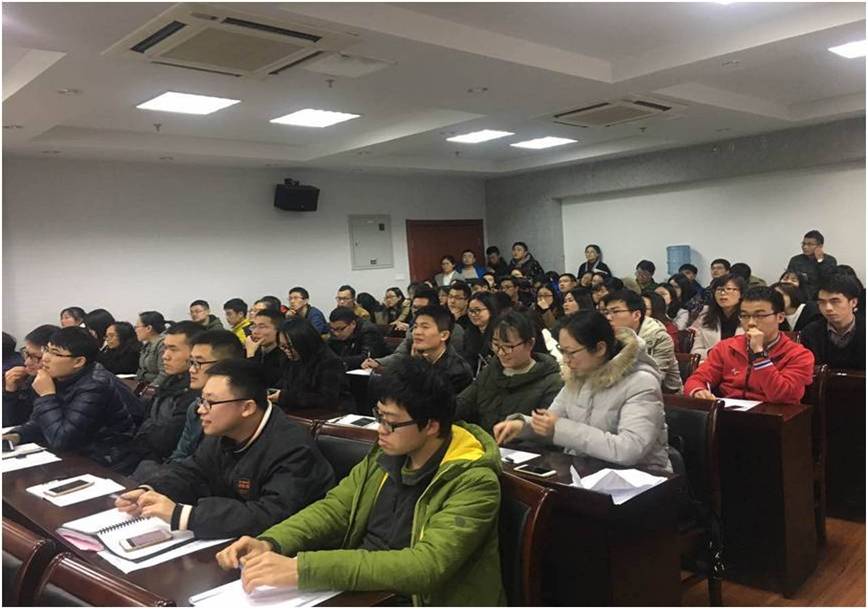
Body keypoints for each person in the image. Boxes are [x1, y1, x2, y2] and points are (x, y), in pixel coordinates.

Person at [215, 357, 505, 606]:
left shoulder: (474, 480)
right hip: (365, 589)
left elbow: (425, 566)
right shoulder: (386, 455)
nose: (381, 430)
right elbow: (335, 509)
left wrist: (304, 569)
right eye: (379, 416)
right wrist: (272, 542)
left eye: (391, 422)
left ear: (431, 425)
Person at [116, 359, 335, 539]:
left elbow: (269, 515)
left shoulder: (293, 448)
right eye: (201, 400)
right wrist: (151, 491)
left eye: (210, 402)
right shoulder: (224, 432)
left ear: (247, 408)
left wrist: (184, 515)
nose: (201, 410)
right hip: (231, 539)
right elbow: (191, 472)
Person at [493, 311, 672, 471]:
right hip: (584, 470)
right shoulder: (578, 375)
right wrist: (523, 427)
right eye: (562, 351)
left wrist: (559, 428)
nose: (565, 360)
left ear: (600, 348)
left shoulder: (641, 382)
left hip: (641, 478)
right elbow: (551, 421)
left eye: (571, 352)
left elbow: (629, 450)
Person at [3, 327, 142, 473]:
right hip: (77, 453)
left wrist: (46, 396)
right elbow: (41, 422)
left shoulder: (95, 385)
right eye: (47, 350)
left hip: (106, 458)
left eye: (55, 353)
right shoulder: (57, 376)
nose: (45, 358)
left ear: (78, 362)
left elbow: (62, 441)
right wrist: (16, 435)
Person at [685, 287, 815, 404]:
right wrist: (698, 391)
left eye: (760, 315)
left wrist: (759, 354)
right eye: (745, 316)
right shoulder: (727, 347)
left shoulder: (799, 355)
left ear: (780, 317)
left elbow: (783, 396)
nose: (751, 323)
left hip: (774, 416)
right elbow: (696, 379)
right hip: (729, 413)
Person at [457, 311, 563, 434]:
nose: (501, 352)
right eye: (496, 345)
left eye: (508, 346)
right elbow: (463, 403)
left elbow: (544, 431)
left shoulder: (551, 382)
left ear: (530, 344)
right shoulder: (491, 370)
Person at [130, 321, 204, 479]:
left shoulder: (196, 393)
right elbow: (146, 420)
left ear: (196, 353)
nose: (165, 356)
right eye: (165, 348)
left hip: (164, 465)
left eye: (173, 349)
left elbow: (166, 441)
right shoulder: (170, 381)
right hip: (145, 455)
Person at [170, 330, 246, 463]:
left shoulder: (239, 410)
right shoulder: (196, 407)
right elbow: (181, 454)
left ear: (225, 364)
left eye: (199, 363)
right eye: (191, 362)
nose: (191, 370)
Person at [374, 305, 473, 394]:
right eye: (415, 327)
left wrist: (418, 367)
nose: (417, 332)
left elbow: (432, 402)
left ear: (444, 335)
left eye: (425, 327)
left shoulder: (459, 371)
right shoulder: (409, 355)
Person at [603, 290, 682, 394]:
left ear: (636, 315)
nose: (608, 317)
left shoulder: (660, 338)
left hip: (664, 396)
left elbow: (654, 378)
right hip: (617, 390)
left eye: (615, 312)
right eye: (606, 312)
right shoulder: (607, 335)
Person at [272, 318, 352, 412]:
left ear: (304, 342)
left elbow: (327, 399)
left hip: (329, 414)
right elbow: (284, 384)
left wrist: (284, 397)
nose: (286, 351)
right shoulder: (289, 359)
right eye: (282, 346)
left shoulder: (329, 362)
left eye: (290, 346)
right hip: (298, 412)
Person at [800, 274, 865, 370]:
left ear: (853, 302)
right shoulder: (810, 333)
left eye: (835, 301)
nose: (828, 308)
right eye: (822, 302)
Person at [3, 324, 60, 426]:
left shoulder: (65, 385)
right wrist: (10, 392)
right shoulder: (30, 379)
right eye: (26, 354)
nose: (27, 363)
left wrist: (47, 395)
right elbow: (10, 423)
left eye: (36, 357)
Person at [691, 274, 745, 361]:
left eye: (728, 289)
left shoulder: (749, 319)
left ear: (741, 294)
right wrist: (713, 352)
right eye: (719, 289)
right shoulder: (706, 317)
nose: (723, 293)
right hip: (713, 364)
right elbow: (695, 352)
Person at [787, 230, 838, 299]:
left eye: (809, 244)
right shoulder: (795, 260)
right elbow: (789, 281)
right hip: (799, 298)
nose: (805, 247)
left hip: (820, 299)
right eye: (803, 244)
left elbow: (829, 281)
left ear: (820, 246)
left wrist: (820, 260)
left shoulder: (830, 260)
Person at [245, 309, 287, 388]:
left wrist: (250, 355)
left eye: (262, 327)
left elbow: (258, 383)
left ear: (278, 330)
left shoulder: (285, 355)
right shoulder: (252, 349)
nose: (255, 332)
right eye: (254, 326)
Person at [461, 292, 499, 375]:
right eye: (471, 311)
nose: (473, 314)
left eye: (478, 310)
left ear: (491, 310)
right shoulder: (468, 332)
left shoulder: (499, 332)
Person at [135, 311, 167, 387]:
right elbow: (141, 370)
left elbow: (164, 374)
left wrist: (149, 389)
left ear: (149, 328)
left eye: (136, 327)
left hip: (157, 388)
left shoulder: (163, 344)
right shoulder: (147, 345)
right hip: (145, 385)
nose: (135, 330)